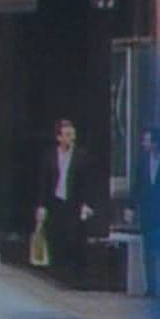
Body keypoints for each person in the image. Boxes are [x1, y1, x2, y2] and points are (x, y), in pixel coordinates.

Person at [33, 118, 98, 288]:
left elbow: (87, 183)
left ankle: (72, 279)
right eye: (68, 135)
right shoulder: (49, 156)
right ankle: (55, 279)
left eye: (72, 134)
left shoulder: (81, 157)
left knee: (72, 239)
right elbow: (43, 183)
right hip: (55, 203)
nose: (71, 138)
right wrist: (41, 206)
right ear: (59, 137)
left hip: (73, 204)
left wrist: (87, 204)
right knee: (55, 239)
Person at [129, 126, 160, 294]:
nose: (143, 144)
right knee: (148, 250)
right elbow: (136, 185)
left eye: (146, 140)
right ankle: (151, 287)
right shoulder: (142, 162)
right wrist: (131, 207)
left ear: (155, 143)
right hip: (147, 211)